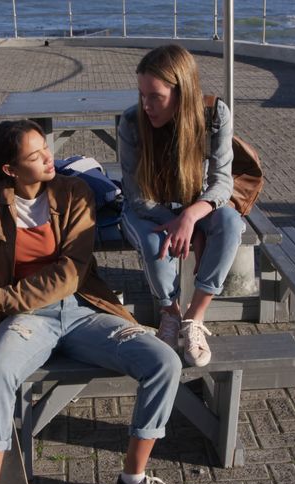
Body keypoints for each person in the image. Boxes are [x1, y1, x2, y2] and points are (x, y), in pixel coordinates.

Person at [0, 120, 186, 484]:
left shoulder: (75, 194)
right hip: (26, 320)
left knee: (164, 362)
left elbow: (72, 271)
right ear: (11, 169)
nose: (48, 158)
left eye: (45, 149)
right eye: (35, 156)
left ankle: (132, 479)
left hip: (83, 311)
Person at [118, 44, 244, 368]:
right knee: (153, 242)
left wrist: (190, 216)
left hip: (197, 203)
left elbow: (222, 182)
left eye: (155, 96)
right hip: (147, 208)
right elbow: (134, 196)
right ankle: (169, 313)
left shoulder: (215, 115)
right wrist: (174, 221)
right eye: (142, 94)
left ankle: (194, 318)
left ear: (182, 91)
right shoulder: (132, 122)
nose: (146, 105)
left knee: (231, 224)